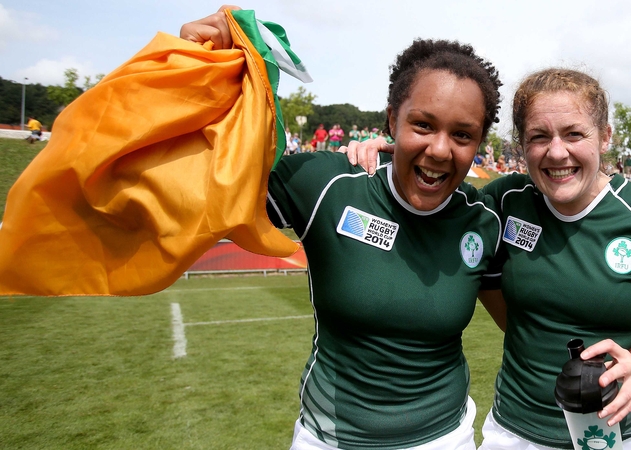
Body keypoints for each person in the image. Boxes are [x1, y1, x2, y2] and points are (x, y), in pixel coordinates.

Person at [345, 68, 631, 449]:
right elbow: (431, 190)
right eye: (538, 137)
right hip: (513, 434)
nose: (557, 152)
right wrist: (394, 151)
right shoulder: (503, 203)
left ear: (605, 136)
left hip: (623, 437)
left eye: (574, 133)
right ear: (521, 145)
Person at [183, 10, 508, 448]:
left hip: (445, 439)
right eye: (423, 125)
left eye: (463, 135)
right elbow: (198, 186)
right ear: (392, 119)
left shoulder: (484, 218)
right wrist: (199, 73)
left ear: (479, 143)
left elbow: (529, 324)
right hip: (330, 440)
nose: (439, 150)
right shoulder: (328, 183)